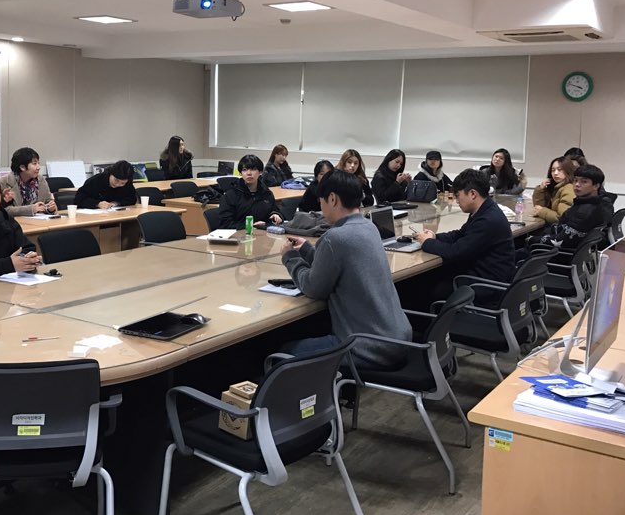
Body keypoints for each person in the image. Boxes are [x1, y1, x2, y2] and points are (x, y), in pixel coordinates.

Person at [280, 170, 411, 370]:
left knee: (283, 353)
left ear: (332, 199)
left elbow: (313, 287)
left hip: (369, 348)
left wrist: (290, 258)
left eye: (321, 201)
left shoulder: (335, 238)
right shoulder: (369, 227)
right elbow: (338, 264)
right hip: (398, 339)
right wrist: (306, 250)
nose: (320, 207)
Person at [416, 168, 516, 288]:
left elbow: (456, 252)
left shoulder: (487, 220)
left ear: (473, 194)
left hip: (486, 283)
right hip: (483, 274)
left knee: (424, 284)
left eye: (458, 195)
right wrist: (435, 236)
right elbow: (460, 235)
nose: (457, 200)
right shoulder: (484, 209)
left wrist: (427, 242)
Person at [533, 164, 611, 250]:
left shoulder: (584, 211)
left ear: (596, 186)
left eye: (584, 182)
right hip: (563, 247)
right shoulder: (584, 203)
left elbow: (561, 241)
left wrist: (530, 240)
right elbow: (562, 226)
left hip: (559, 253)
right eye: (575, 180)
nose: (577, 184)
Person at [217, 154, 283, 229]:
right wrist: (251, 225)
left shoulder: (266, 193)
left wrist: (276, 215)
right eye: (244, 170)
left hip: (262, 233)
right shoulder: (231, 195)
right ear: (240, 173)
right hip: (239, 233)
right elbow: (225, 224)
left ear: (260, 172)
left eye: (253, 169)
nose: (249, 173)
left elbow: (275, 210)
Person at [0, 147, 56, 217]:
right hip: (15, 222)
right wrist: (31, 209)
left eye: (38, 163)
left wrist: (51, 209)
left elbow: (49, 202)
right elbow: (4, 210)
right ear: (22, 167)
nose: (38, 167)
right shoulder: (5, 182)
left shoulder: (41, 180)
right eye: (34, 164)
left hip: (39, 222)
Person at [532, 156, 575, 224]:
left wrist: (542, 211)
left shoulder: (568, 188)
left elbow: (562, 218)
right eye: (553, 170)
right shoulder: (556, 187)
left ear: (568, 171)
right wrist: (541, 189)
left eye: (559, 170)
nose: (555, 173)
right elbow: (538, 208)